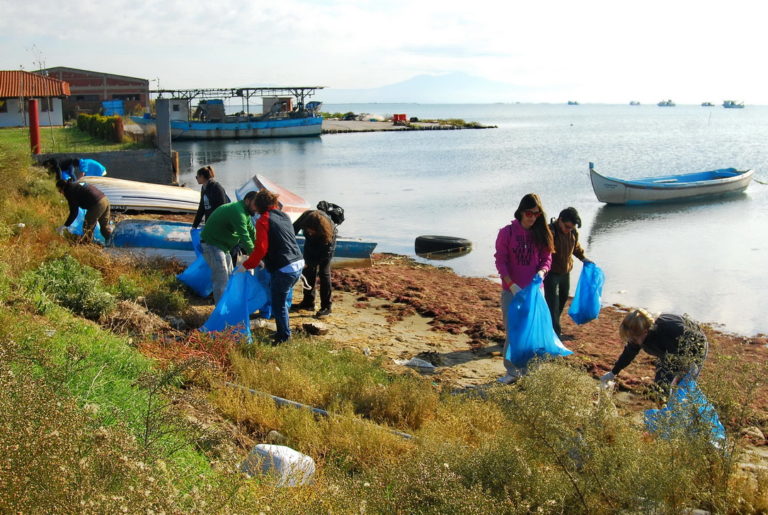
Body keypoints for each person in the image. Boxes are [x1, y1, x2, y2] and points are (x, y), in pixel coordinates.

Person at [494, 193, 554, 384]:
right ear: (521, 211)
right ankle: (511, 371)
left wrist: (542, 272)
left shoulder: (541, 233)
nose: (532, 217)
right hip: (512, 291)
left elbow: (547, 258)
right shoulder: (507, 232)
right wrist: (511, 285)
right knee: (513, 331)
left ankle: (530, 372)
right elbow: (500, 261)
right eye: (529, 213)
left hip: (535, 291)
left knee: (533, 332)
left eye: (537, 214)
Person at [600, 309, 709, 397]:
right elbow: (629, 352)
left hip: (693, 349)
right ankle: (665, 410)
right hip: (668, 351)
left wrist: (684, 372)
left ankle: (685, 416)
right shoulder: (639, 333)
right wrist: (613, 372)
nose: (632, 342)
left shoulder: (666, 332)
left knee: (682, 388)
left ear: (645, 332)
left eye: (633, 339)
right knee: (661, 386)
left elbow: (678, 361)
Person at [242, 189, 304, 344]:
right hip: (298, 263)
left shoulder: (263, 220)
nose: (254, 207)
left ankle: (283, 337)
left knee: (278, 305)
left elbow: (261, 248)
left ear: (259, 204)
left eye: (255, 204)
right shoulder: (284, 216)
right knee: (281, 301)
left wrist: (248, 264)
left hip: (285, 267)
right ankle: (284, 331)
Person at [200, 192, 258, 303]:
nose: (257, 208)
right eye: (256, 204)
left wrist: (260, 250)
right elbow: (244, 236)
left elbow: (252, 232)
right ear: (247, 201)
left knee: (230, 276)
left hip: (222, 246)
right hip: (212, 244)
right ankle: (221, 314)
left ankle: (227, 307)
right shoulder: (238, 211)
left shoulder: (245, 212)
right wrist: (256, 257)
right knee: (222, 279)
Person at [544, 207, 591, 338]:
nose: (568, 230)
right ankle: (555, 334)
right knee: (552, 303)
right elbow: (541, 252)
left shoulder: (573, 233)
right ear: (559, 220)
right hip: (551, 273)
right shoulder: (549, 232)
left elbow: (576, 248)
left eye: (571, 228)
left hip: (565, 272)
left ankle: (551, 325)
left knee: (563, 299)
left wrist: (584, 259)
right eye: (566, 227)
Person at [291, 209, 337, 317]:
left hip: (324, 245)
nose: (309, 232)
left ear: (318, 229)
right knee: (308, 272)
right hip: (310, 244)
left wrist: (311, 263)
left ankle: (326, 306)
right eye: (307, 230)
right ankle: (308, 302)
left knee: (324, 273)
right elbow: (292, 230)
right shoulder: (306, 217)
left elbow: (326, 254)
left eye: (311, 231)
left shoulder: (328, 232)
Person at [56, 179, 113, 243]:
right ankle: (113, 242)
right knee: (104, 227)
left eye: (60, 191)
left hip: (97, 204)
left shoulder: (69, 191)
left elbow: (74, 212)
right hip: (105, 200)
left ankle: (86, 244)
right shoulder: (75, 184)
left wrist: (65, 225)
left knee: (87, 226)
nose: (61, 193)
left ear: (63, 187)